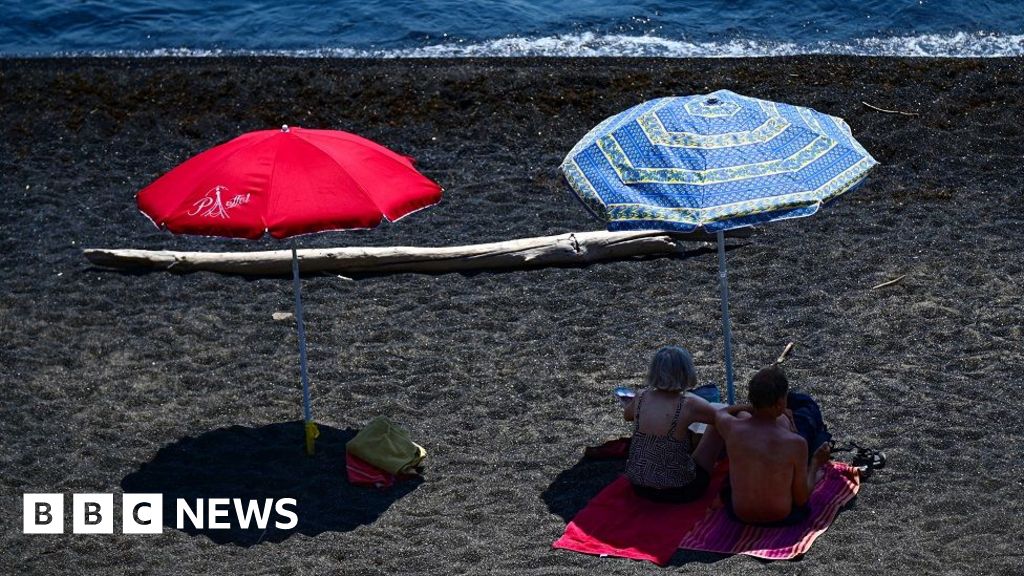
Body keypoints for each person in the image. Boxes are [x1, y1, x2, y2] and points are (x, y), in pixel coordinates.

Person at [714, 365, 832, 525]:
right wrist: (816, 464)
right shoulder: (795, 443)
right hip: (782, 516)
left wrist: (754, 407)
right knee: (809, 414)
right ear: (779, 403)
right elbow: (801, 499)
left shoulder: (732, 429)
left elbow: (721, 413)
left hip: (739, 514)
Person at [622, 346, 726, 503]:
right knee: (718, 421)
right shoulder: (689, 403)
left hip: (639, 487)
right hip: (682, 490)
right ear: (686, 372)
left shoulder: (641, 397)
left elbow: (627, 415)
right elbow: (723, 419)